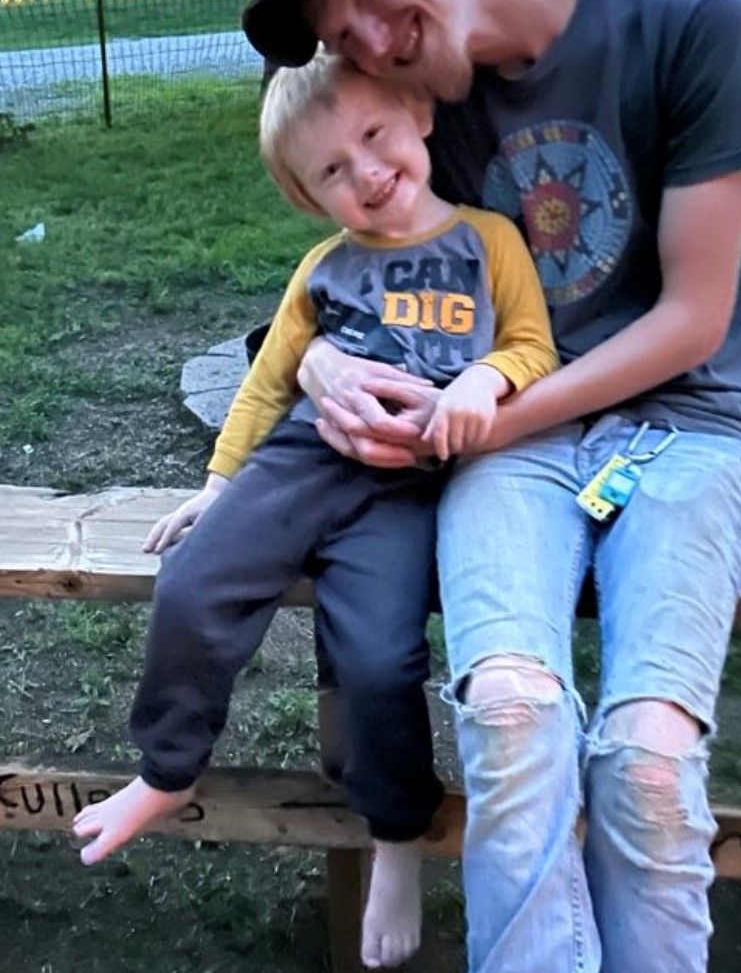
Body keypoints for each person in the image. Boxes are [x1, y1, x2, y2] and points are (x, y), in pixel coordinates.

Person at [239, 0, 741, 973]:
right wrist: (317, 374)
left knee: (644, 759)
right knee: (508, 716)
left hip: (681, 422)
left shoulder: (698, 21)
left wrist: (487, 408)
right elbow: (338, 281)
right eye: (344, 40)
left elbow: (692, 318)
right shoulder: (414, 108)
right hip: (505, 442)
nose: (375, 45)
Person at [70, 51, 558, 970]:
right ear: (309, 195)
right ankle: (167, 770)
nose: (366, 172)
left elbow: (533, 343)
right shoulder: (323, 270)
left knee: (379, 660)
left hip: (405, 488)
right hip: (301, 462)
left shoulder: (488, 240)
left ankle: (395, 838)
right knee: (191, 581)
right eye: (333, 168)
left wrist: (487, 378)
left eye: (373, 137)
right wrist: (217, 485)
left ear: (415, 117)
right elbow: (266, 383)